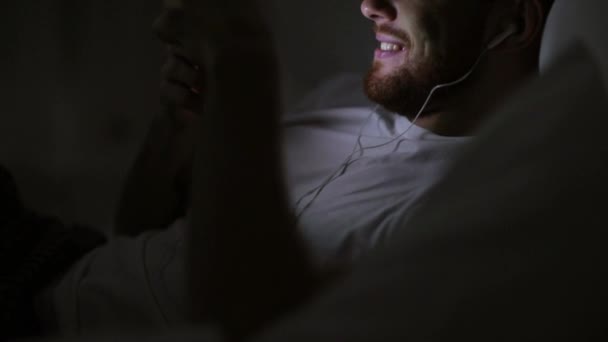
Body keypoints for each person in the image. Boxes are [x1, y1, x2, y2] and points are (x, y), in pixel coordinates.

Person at [1, 0, 553, 339]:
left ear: (514, 21)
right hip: (59, 254)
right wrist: (178, 128)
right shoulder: (340, 96)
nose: (368, 4)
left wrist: (244, 66)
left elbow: (255, 327)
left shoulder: (465, 213)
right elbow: (136, 232)